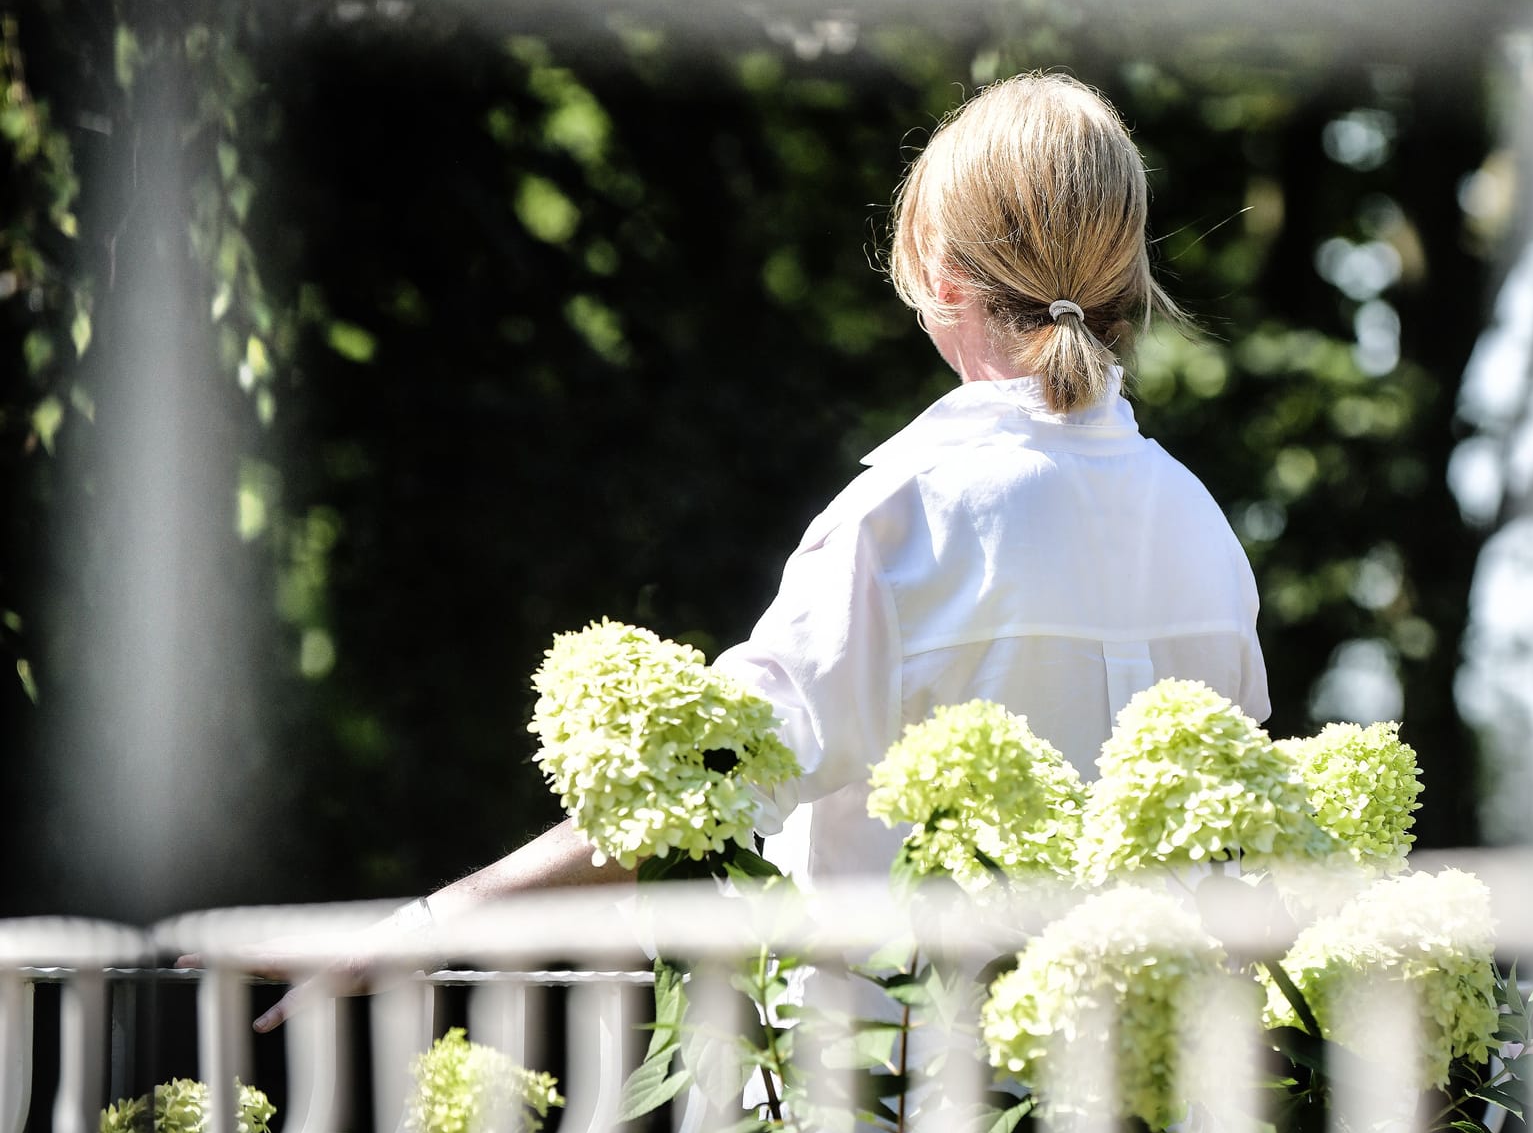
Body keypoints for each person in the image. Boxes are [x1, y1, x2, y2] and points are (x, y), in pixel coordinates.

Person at [239, 70, 1268, 1031]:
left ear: (941, 274)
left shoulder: (907, 519)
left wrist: (419, 928)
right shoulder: (1205, 526)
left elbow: (691, 790)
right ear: (1126, 274)